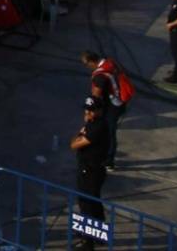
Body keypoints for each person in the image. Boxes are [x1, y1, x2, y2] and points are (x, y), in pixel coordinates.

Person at [70, 97, 110, 250]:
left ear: (99, 111)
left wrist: (79, 134)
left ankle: (88, 242)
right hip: (92, 169)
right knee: (94, 202)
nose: (87, 113)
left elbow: (74, 145)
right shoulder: (94, 124)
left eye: (91, 110)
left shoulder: (96, 127)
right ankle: (99, 234)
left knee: (86, 204)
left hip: (90, 171)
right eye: (86, 109)